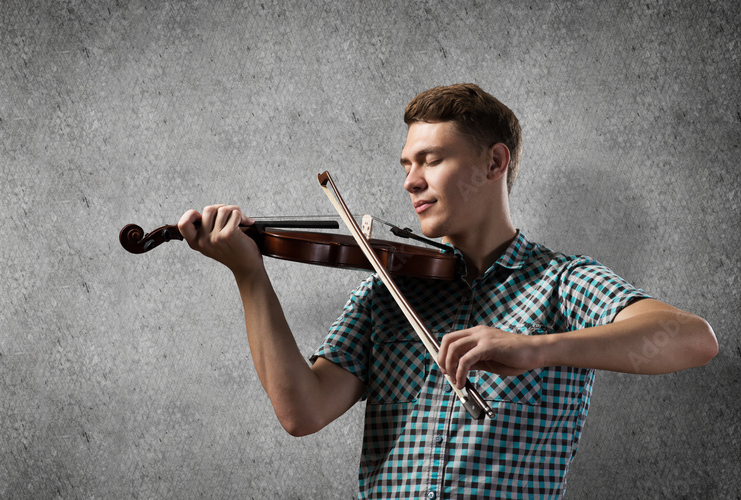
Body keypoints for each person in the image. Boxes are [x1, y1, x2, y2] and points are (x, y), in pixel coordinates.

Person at [176, 83, 718, 499]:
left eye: (432, 160)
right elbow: (302, 411)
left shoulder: (561, 281)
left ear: (494, 162)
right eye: (408, 165)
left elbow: (693, 339)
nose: (411, 180)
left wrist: (533, 349)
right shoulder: (388, 290)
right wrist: (249, 274)